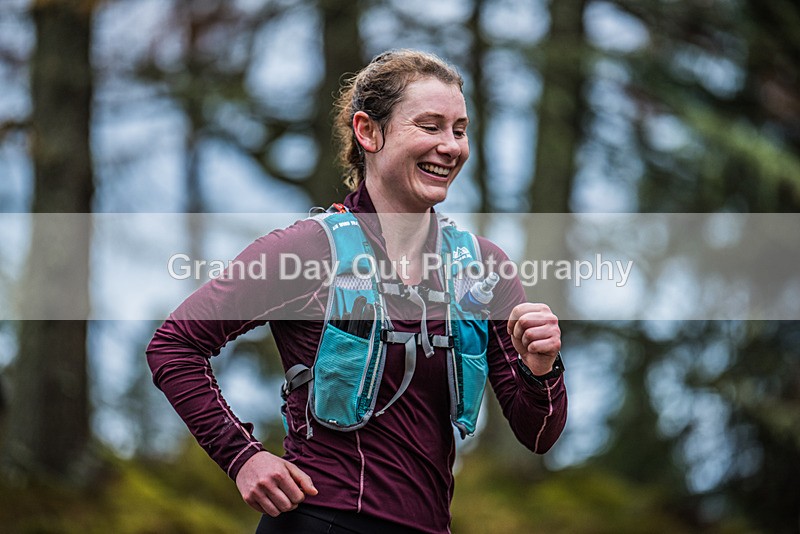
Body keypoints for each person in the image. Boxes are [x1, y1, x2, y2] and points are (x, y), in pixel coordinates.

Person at [147, 49, 567, 534]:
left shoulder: (483, 267)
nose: (451, 146)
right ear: (368, 132)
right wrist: (243, 456)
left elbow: (537, 434)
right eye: (429, 126)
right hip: (319, 520)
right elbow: (173, 346)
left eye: (459, 128)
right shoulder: (308, 250)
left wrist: (541, 368)